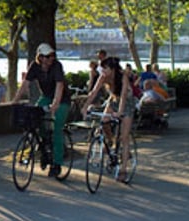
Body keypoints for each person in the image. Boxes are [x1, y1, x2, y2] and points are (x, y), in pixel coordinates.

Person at [13, 43, 71, 179]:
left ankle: (57, 163)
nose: (50, 58)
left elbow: (59, 85)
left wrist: (55, 104)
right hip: (46, 96)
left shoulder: (57, 66)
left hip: (62, 99)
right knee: (36, 119)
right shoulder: (35, 66)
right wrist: (15, 101)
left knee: (57, 129)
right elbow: (25, 84)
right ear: (41, 58)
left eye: (51, 55)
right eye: (47, 56)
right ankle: (44, 148)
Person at [82, 56, 136, 183]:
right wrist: (85, 107)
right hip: (113, 101)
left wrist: (120, 112)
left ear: (112, 69)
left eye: (105, 69)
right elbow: (93, 92)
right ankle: (111, 142)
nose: (103, 71)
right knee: (104, 121)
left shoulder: (122, 77)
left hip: (126, 103)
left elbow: (123, 96)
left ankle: (123, 170)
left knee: (124, 137)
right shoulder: (103, 77)